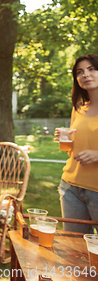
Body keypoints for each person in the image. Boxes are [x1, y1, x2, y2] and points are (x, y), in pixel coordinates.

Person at [54, 54, 98, 233]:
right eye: (80, 72)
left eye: (92, 69)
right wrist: (64, 139)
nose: (85, 75)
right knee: (73, 249)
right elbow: (70, 151)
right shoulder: (78, 108)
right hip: (71, 187)